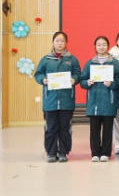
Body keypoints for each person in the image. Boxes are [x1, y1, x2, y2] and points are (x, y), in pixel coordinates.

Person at [35, 32, 80, 163]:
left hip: (66, 100)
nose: (60, 43)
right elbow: (38, 74)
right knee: (50, 127)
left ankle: (63, 152)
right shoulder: (46, 59)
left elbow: (78, 74)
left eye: (62, 41)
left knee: (65, 128)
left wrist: (74, 79)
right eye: (57, 40)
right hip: (50, 100)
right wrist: (43, 79)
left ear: (66, 42)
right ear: (53, 42)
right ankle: (51, 153)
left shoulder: (72, 59)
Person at [81, 36, 119, 162]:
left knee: (108, 129)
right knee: (94, 129)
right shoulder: (89, 63)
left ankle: (106, 153)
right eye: (99, 44)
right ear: (95, 47)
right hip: (94, 101)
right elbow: (82, 81)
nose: (101, 47)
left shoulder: (114, 63)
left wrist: (112, 84)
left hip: (109, 100)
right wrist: (87, 82)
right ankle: (95, 153)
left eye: (104, 44)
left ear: (108, 46)